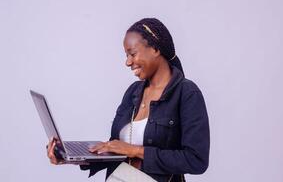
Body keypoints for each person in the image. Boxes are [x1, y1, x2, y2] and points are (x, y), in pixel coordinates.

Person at [47, 18, 210, 182]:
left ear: (155, 49)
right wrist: (71, 157)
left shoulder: (187, 93)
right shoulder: (133, 92)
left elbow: (196, 160)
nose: (128, 62)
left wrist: (136, 151)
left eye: (132, 54)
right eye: (126, 55)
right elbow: (116, 148)